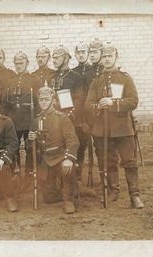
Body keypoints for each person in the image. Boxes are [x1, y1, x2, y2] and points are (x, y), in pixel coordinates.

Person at [85, 42, 144, 209]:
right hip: (102, 130)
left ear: (116, 58)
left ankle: (135, 196)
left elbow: (133, 101)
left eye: (110, 56)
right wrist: (98, 105)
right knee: (108, 162)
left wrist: (113, 102)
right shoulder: (97, 81)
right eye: (104, 56)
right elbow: (88, 104)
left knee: (130, 162)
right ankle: (113, 192)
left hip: (123, 129)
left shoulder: (125, 78)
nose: (106, 59)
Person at [27, 84, 80, 214]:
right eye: (41, 100)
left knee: (68, 168)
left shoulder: (62, 118)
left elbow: (72, 140)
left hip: (60, 156)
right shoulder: (36, 120)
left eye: (46, 99)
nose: (44, 102)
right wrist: (31, 139)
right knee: (49, 198)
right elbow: (31, 146)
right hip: (45, 160)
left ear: (53, 100)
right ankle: (72, 191)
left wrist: (68, 158)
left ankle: (69, 199)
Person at [51, 46, 95, 197]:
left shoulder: (76, 77)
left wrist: (67, 117)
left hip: (72, 121)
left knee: (75, 153)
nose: (54, 60)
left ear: (65, 58)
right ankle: (61, 186)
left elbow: (79, 101)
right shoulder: (53, 76)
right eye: (53, 57)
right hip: (55, 122)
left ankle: (76, 185)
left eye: (57, 57)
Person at [2, 51, 40, 173]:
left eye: (21, 63)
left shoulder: (34, 80)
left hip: (29, 118)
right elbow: (5, 102)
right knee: (13, 146)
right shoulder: (10, 81)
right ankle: (14, 171)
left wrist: (37, 120)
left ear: (27, 63)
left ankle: (29, 172)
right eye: (16, 63)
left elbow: (39, 102)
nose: (18, 66)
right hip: (14, 119)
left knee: (30, 146)